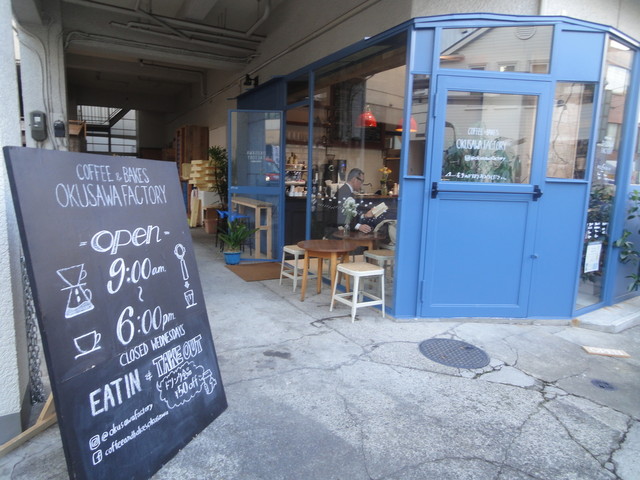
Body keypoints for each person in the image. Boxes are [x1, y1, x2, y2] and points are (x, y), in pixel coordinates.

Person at [336, 168, 375, 233]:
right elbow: (341, 216)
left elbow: (350, 214)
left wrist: (364, 216)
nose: (362, 184)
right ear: (354, 179)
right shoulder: (345, 192)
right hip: (337, 232)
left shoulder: (346, 190)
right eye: (362, 181)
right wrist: (358, 226)